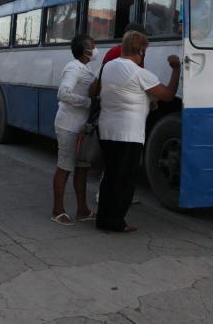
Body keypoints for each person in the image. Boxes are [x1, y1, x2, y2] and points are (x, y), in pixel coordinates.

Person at [96, 31, 180, 233]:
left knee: (110, 176)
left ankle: (103, 219)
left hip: (106, 130)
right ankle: (116, 222)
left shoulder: (108, 66)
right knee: (125, 179)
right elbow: (168, 95)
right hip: (128, 133)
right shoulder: (139, 73)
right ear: (141, 51)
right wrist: (176, 69)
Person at [51, 34, 97, 226]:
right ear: (84, 51)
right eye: (92, 46)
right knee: (65, 167)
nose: (95, 49)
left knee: (82, 169)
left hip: (81, 127)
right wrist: (87, 102)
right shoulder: (73, 68)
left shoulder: (85, 68)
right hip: (68, 125)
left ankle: (82, 209)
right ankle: (58, 210)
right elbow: (63, 93)